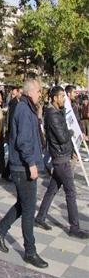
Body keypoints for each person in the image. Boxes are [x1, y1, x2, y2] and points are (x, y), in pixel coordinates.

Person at [0, 78, 48, 268]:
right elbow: (23, 141)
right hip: (22, 167)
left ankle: (0, 230)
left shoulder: (28, 108)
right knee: (29, 210)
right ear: (30, 91)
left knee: (23, 205)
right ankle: (30, 252)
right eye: (39, 91)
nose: (41, 94)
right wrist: (31, 164)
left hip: (23, 166)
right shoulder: (24, 109)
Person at [35, 86, 89, 239]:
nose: (63, 99)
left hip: (62, 156)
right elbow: (62, 137)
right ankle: (74, 227)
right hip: (61, 158)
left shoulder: (57, 112)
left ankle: (40, 218)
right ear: (53, 98)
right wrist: (71, 132)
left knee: (52, 189)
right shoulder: (52, 114)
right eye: (61, 96)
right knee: (71, 192)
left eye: (64, 96)